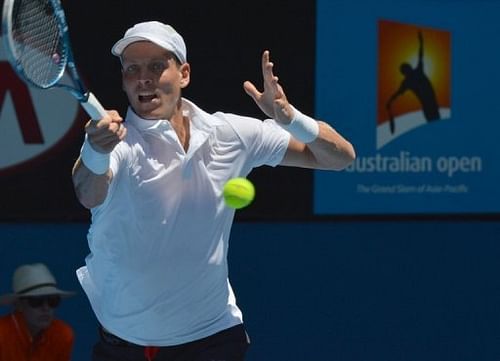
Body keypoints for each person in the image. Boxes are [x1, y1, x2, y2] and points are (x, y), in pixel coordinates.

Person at [72, 21, 355, 361]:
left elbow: (339, 158)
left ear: (184, 74)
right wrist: (95, 149)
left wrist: (290, 117)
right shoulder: (118, 145)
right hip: (125, 344)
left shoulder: (230, 134)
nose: (143, 78)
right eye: (132, 69)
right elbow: (88, 193)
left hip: (212, 337)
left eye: (157, 66)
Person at [0, 263, 75, 361]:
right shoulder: (2, 335)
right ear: (19, 305)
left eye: (52, 301)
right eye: (36, 301)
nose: (46, 308)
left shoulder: (63, 334)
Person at [386, 30, 440, 134]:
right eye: (406, 68)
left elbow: (421, 54)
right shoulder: (408, 81)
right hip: (428, 108)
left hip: (433, 105)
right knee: (433, 129)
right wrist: (390, 101)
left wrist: (421, 42)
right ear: (405, 72)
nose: (409, 68)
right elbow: (397, 94)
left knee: (438, 129)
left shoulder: (416, 73)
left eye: (408, 66)